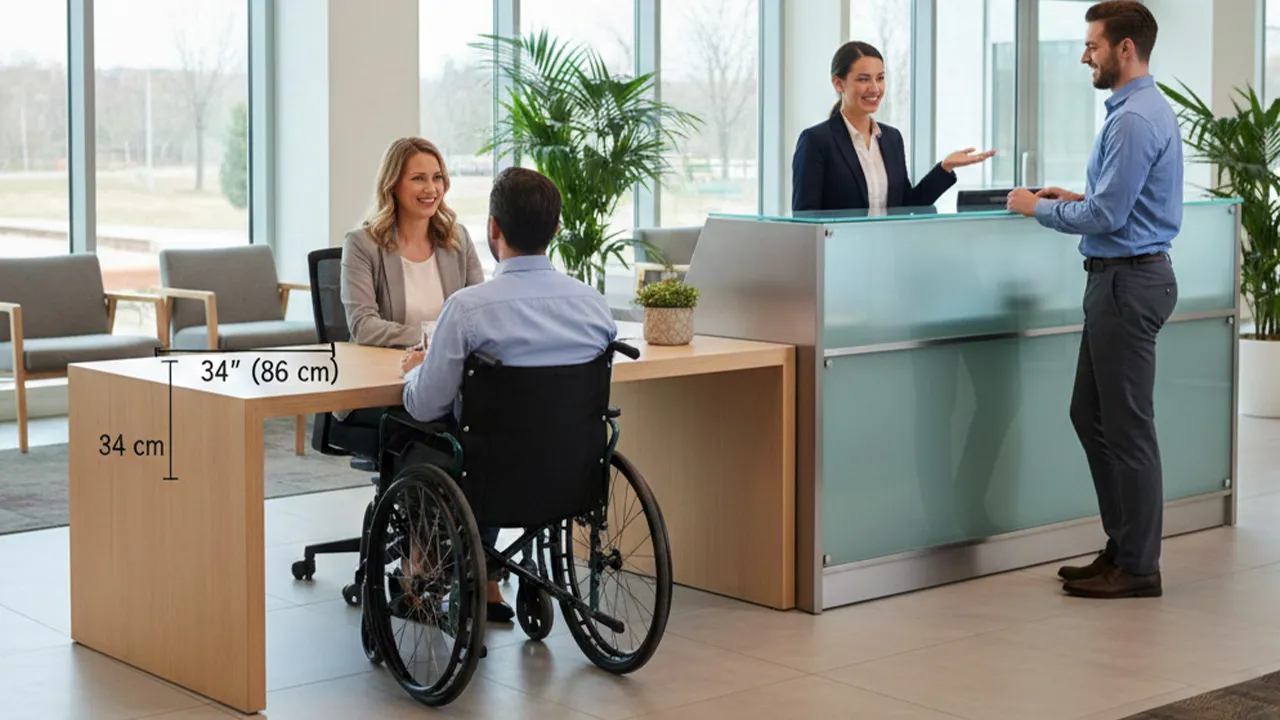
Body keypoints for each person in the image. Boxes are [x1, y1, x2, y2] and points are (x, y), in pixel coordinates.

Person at [1006, 1, 1180, 599]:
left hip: (1127, 282)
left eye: (1093, 45)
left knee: (1128, 428)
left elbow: (1108, 215)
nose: (1086, 54)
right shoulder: (1137, 110)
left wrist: (1038, 208)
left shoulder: (1133, 118)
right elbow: (1116, 200)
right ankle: (1124, 547)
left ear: (1124, 49)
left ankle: (1139, 566)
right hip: (1119, 278)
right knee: (1092, 414)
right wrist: (1074, 195)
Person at [400, 166, 617, 621]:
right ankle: (488, 572)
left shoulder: (467, 310)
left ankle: (415, 574)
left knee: (405, 434)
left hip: (488, 476)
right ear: (556, 230)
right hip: (572, 474)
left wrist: (417, 370)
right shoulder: (594, 306)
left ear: (493, 228)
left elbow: (426, 404)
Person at [335, 137, 485, 442]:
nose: (431, 189)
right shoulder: (363, 244)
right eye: (419, 179)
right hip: (380, 385)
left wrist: (439, 351)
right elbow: (364, 326)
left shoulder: (457, 239)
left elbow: (480, 312)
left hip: (440, 377)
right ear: (393, 185)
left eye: (437, 177)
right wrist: (435, 342)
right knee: (442, 427)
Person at [792, 41, 994, 213]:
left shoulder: (891, 138)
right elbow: (805, 217)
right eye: (863, 79)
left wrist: (944, 168)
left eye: (880, 78)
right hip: (839, 255)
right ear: (838, 84)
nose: (875, 88)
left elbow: (906, 205)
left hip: (888, 253)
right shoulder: (816, 141)